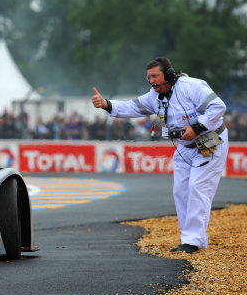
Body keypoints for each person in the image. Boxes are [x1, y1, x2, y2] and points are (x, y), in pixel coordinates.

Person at [91, 57, 229, 254]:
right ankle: (190, 237)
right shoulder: (153, 97)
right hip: (184, 146)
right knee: (180, 190)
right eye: (149, 77)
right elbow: (132, 107)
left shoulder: (192, 86)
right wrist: (106, 104)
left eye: (155, 76)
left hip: (211, 142)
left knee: (197, 187)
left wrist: (197, 127)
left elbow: (218, 107)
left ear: (169, 75)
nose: (152, 81)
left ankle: (193, 240)